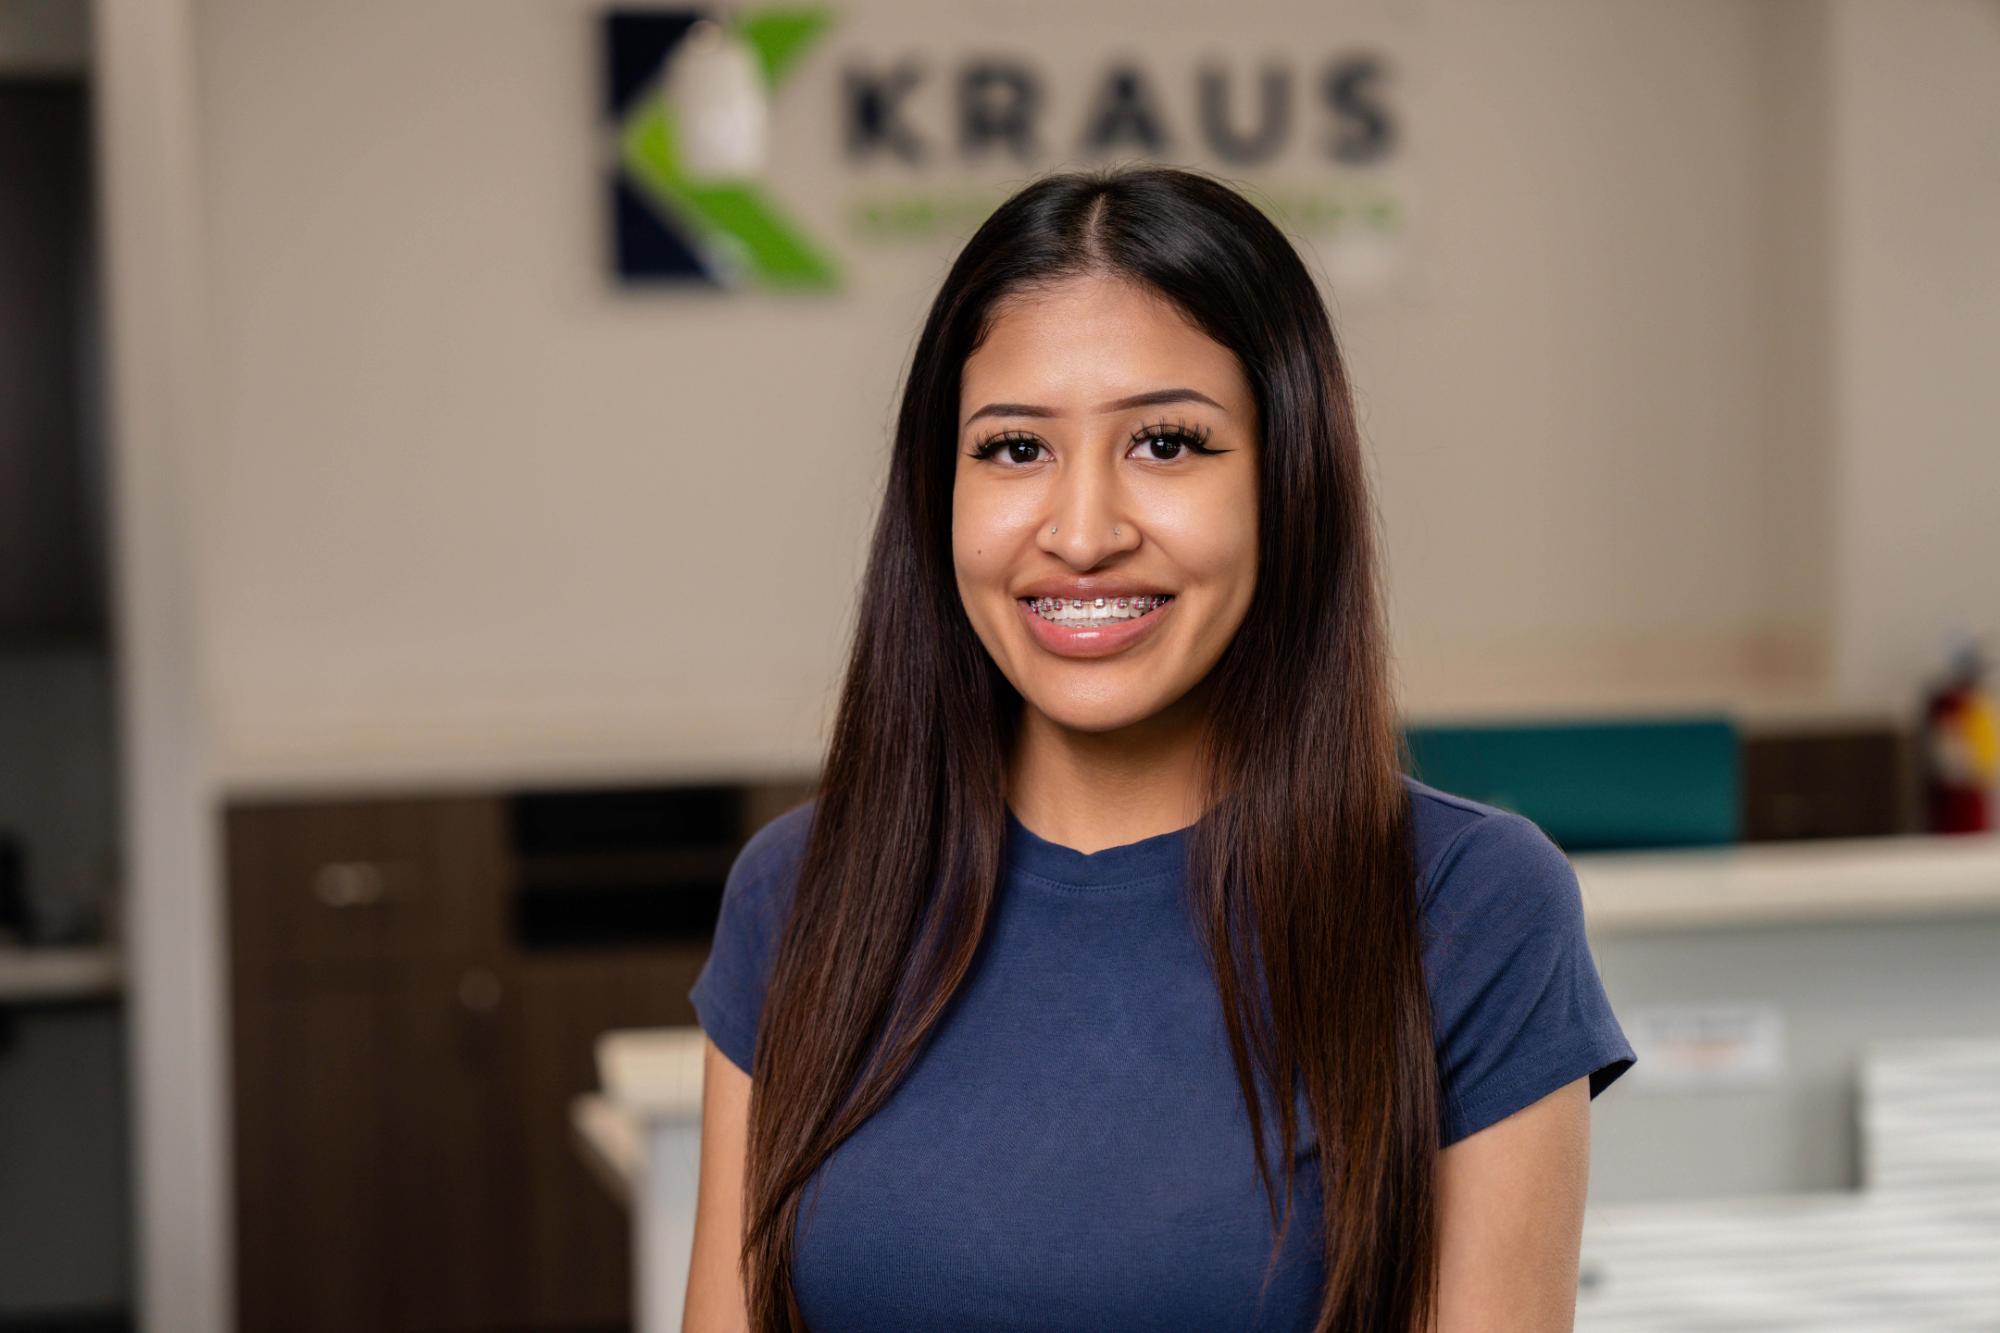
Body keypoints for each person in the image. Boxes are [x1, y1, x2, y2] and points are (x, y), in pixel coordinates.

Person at [681, 164, 1635, 1333]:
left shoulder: (1465, 905)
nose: (1082, 533)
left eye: (1166, 443)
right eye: (1014, 449)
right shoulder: (801, 893)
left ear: (1285, 480)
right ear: (937, 492)